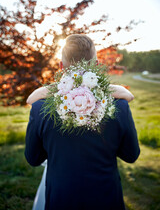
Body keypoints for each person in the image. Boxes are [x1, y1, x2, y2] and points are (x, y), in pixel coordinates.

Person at [25, 34, 140, 210]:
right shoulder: (120, 106)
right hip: (106, 201)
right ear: (96, 65)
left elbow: (33, 158)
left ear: (61, 67)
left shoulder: (40, 108)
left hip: (60, 201)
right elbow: (131, 155)